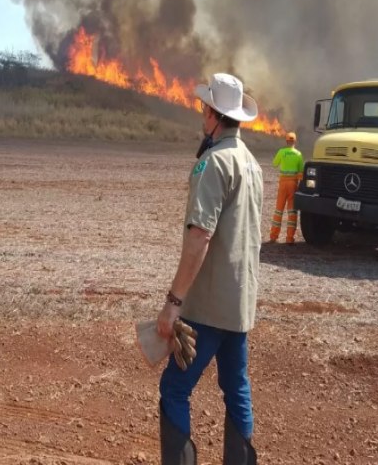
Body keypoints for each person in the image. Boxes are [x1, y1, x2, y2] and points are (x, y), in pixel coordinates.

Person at [156, 72, 263, 465]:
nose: (203, 115)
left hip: (208, 306)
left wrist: (173, 302)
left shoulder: (214, 163)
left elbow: (200, 237)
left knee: (175, 388)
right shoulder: (252, 164)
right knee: (236, 389)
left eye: (205, 108)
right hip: (240, 303)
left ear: (214, 114)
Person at [269, 132, 303, 244]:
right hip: (293, 184)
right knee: (292, 211)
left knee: (279, 210)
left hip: (283, 184)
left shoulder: (281, 152)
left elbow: (274, 164)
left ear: (286, 141)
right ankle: (289, 238)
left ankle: (274, 236)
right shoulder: (298, 154)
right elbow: (301, 173)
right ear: (295, 141)